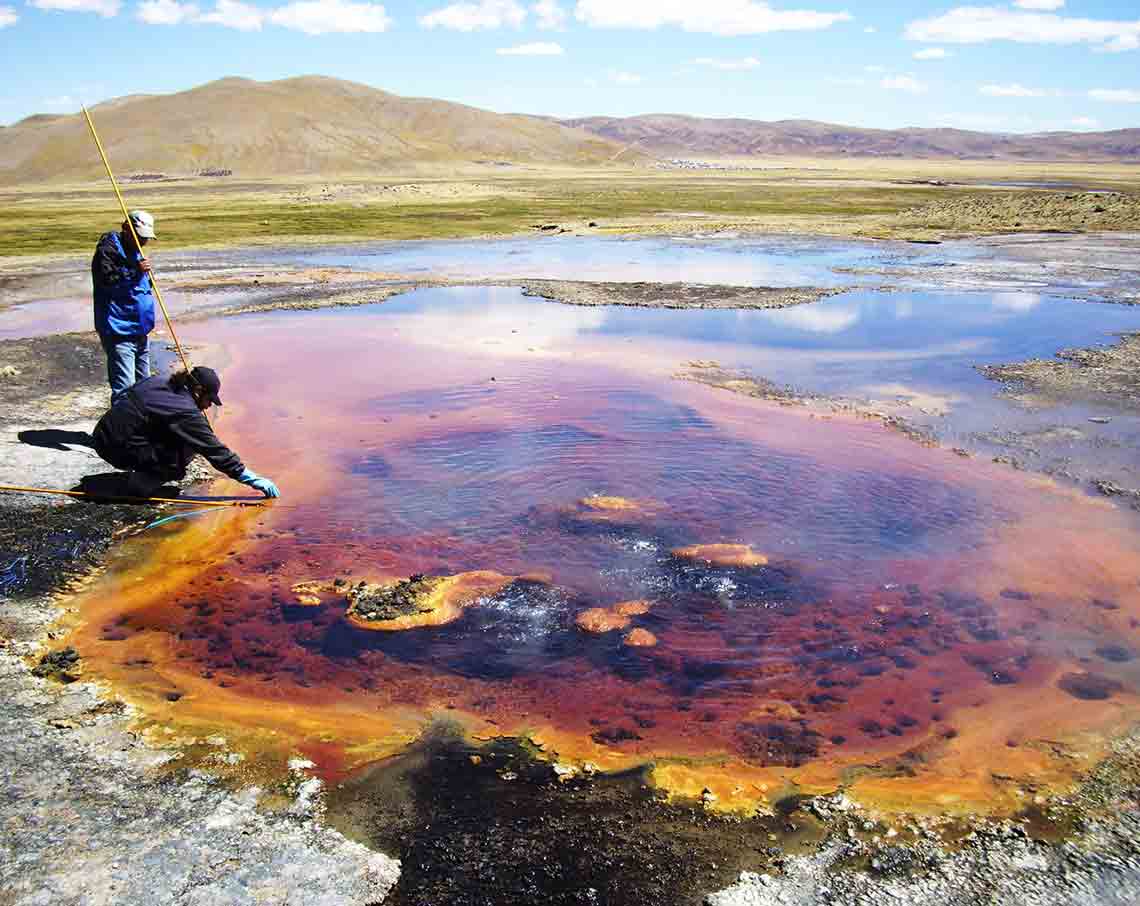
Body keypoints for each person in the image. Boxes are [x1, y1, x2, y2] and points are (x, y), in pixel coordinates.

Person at [92, 365, 281, 499]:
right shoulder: (185, 411)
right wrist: (252, 479)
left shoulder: (160, 380)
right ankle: (141, 484)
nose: (207, 406)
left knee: (177, 435)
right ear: (198, 390)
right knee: (186, 449)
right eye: (209, 400)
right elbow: (214, 450)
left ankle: (143, 465)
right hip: (114, 447)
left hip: (102, 434)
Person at [92, 210, 157, 402]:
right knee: (125, 390)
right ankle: (121, 431)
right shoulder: (108, 251)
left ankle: (142, 429)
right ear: (127, 229)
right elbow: (108, 281)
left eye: (145, 238)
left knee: (145, 386)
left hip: (140, 331)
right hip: (120, 331)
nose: (143, 242)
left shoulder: (136, 250)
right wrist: (135, 270)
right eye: (140, 237)